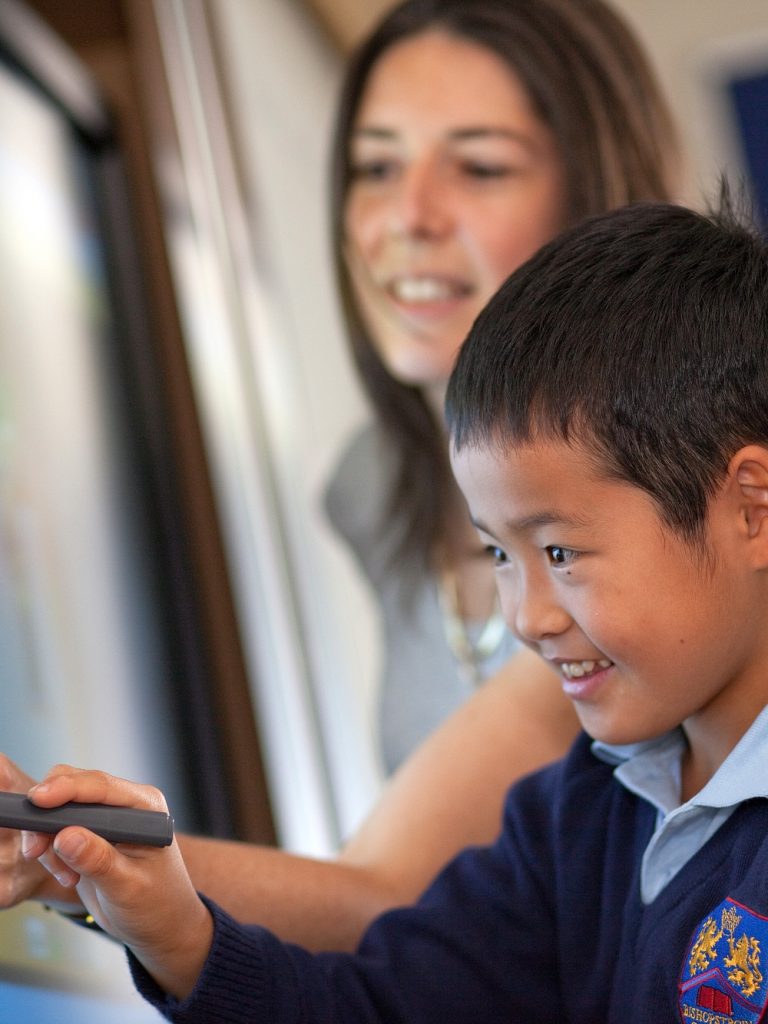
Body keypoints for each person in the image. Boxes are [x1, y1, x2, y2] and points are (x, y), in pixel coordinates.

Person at [0, 0, 681, 953]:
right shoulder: (375, 490)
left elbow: (396, 897)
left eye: (479, 166)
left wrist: (52, 849)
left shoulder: (654, 489)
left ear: (594, 202)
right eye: (377, 167)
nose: (407, 216)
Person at [22, 196, 768, 1022]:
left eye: (559, 553)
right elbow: (382, 1006)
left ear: (750, 510)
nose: (527, 617)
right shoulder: (572, 818)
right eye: (498, 556)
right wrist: (174, 931)